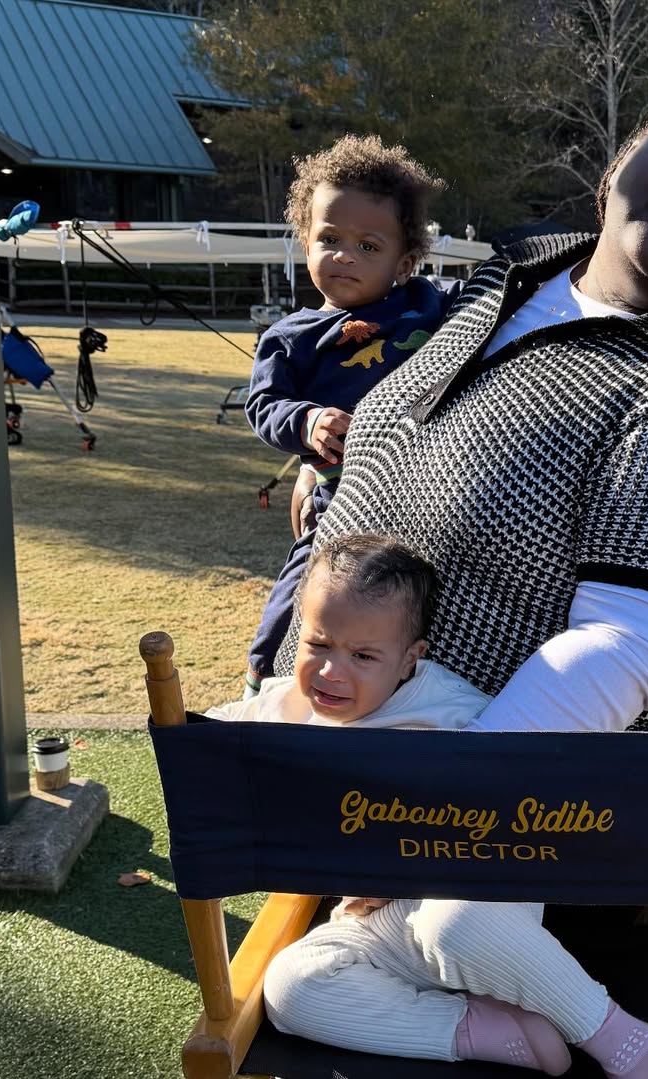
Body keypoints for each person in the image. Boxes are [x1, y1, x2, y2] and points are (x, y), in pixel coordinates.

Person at [265, 52, 648, 1069]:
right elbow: (409, 441)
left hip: (528, 863)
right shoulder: (520, 278)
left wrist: (424, 824)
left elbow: (619, 658)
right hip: (378, 799)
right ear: (615, 168)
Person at [211, 532, 648, 1077]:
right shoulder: (287, 707)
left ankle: (615, 1034)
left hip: (470, 904)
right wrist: (184, 731)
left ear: (409, 659)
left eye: (363, 655)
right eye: (319, 644)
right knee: (292, 986)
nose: (332, 672)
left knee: (451, 925)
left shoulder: (452, 714)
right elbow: (212, 739)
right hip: (376, 927)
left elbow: (524, 794)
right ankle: (486, 1030)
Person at [241, 134, 459, 695]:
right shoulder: (291, 338)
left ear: (405, 261)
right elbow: (262, 404)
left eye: (368, 245)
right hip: (339, 503)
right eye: (330, 238)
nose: (344, 255)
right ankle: (262, 679)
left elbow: (497, 292)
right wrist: (307, 422)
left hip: (430, 499)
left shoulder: (428, 304)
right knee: (304, 592)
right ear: (304, 240)